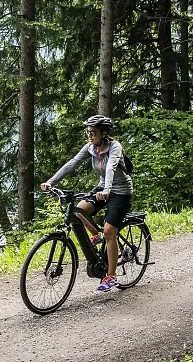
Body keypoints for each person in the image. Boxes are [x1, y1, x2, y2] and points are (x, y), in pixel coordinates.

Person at [42, 114, 132, 293]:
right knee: (79, 211)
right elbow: (72, 164)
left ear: (104, 133)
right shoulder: (90, 148)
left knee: (109, 231)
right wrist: (51, 181)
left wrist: (107, 190)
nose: (90, 136)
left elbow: (111, 168)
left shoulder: (114, 147)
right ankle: (96, 235)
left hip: (121, 191)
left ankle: (111, 276)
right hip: (101, 188)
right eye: (88, 133)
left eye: (94, 132)